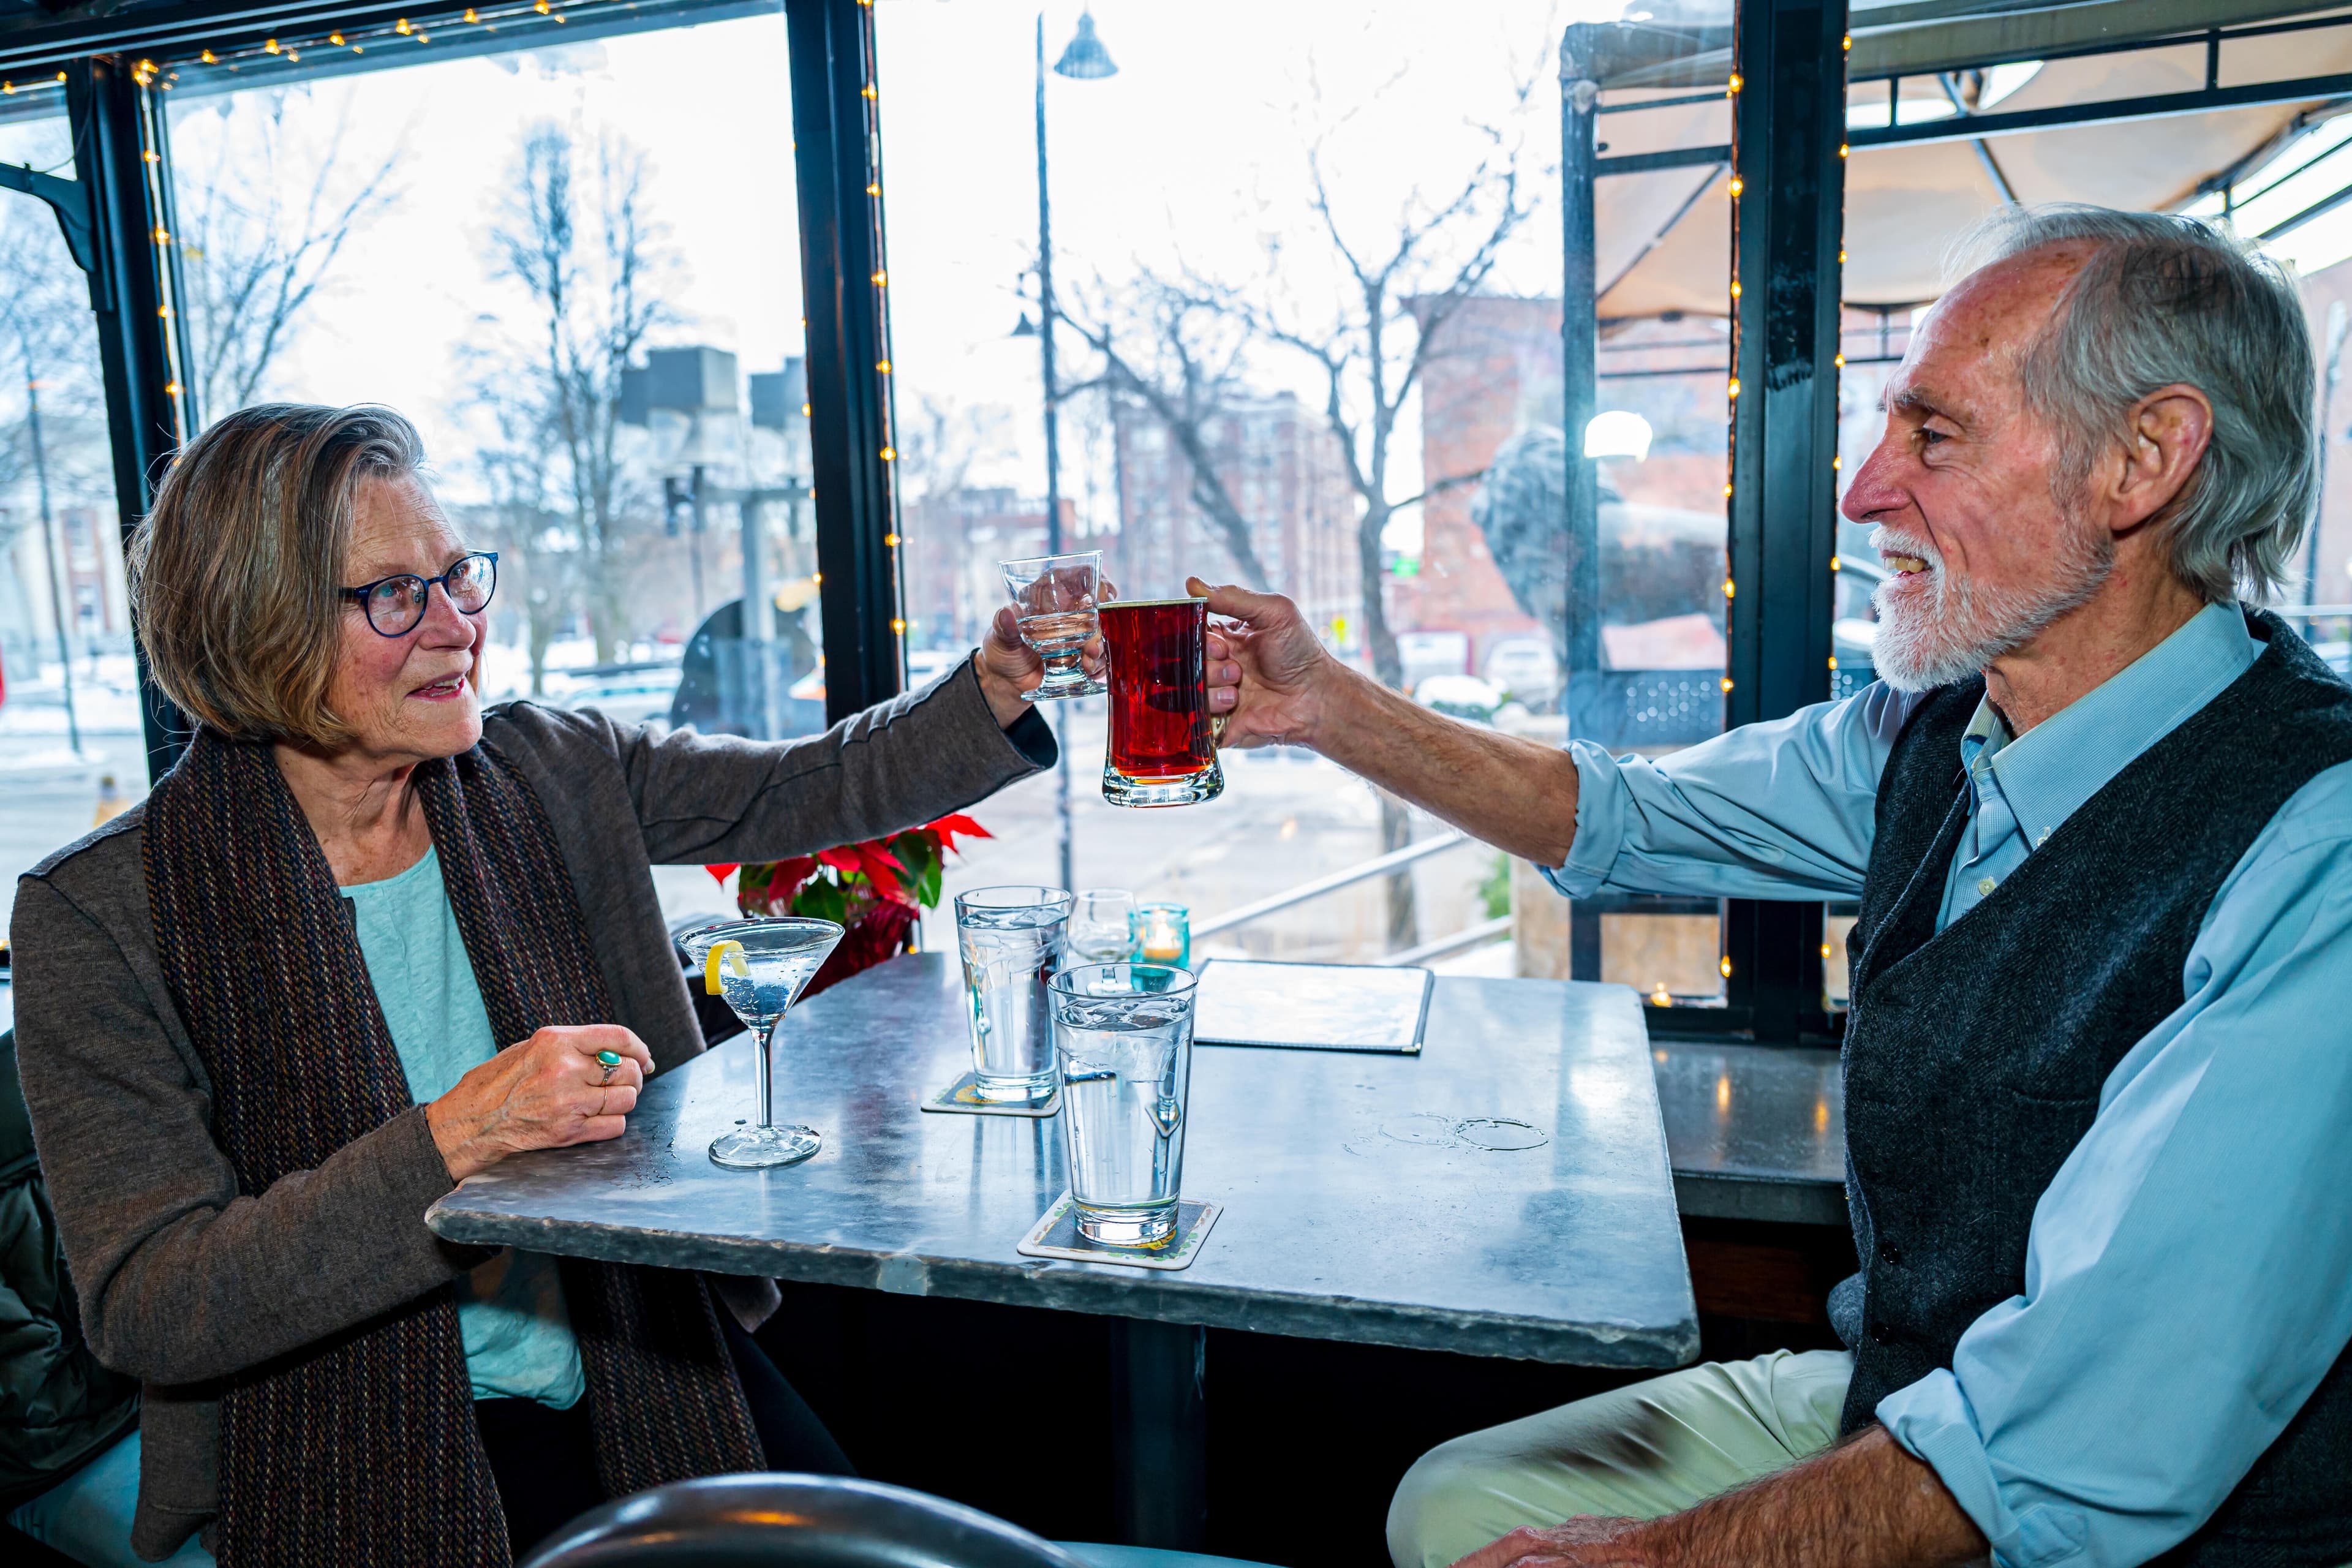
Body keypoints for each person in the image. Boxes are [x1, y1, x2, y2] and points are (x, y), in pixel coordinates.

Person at [1196, 204, 2352, 1567]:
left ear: (2143, 460)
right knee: (1446, 1502)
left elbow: (2084, 1435)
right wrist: (1325, 706)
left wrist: (1649, 1559)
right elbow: (1617, 811)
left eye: (1933, 435)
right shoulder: (1935, 730)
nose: (1863, 491)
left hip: (2131, 1515)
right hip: (1915, 1405)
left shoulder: (2316, 837)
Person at [9, 403, 1066, 1567]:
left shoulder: (546, 767)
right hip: (360, 1444)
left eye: (458, 575)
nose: (458, 625)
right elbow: (153, 1304)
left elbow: (805, 788)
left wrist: (994, 686)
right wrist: (457, 1139)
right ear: (252, 627)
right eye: (394, 595)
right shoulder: (101, 914)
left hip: (640, 1353)